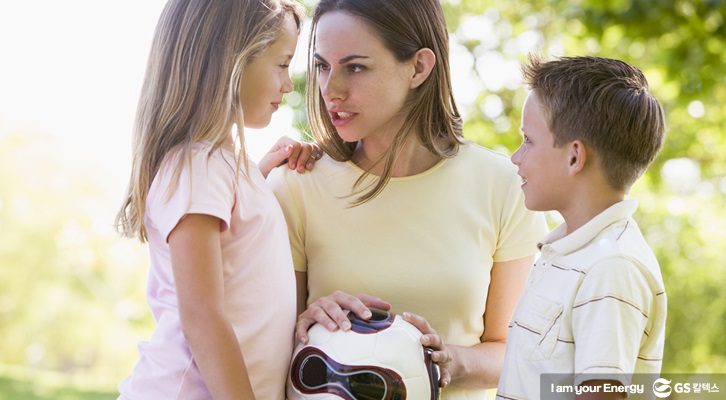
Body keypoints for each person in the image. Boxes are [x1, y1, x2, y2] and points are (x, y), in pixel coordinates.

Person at [267, 0, 547, 398]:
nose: (331, 89)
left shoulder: (503, 185)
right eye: (322, 66)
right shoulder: (296, 185)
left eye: (356, 67)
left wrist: (449, 359)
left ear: (419, 67)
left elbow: (517, 352)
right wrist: (305, 327)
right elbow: (267, 350)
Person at [114, 0, 320, 398]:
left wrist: (257, 177)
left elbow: (238, 253)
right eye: (281, 63)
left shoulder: (219, 167)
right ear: (232, 62)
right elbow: (202, 316)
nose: (287, 83)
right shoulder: (198, 165)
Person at [496, 56, 667, 400]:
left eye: (528, 140)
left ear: (575, 157)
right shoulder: (566, 253)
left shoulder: (611, 269)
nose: (516, 157)